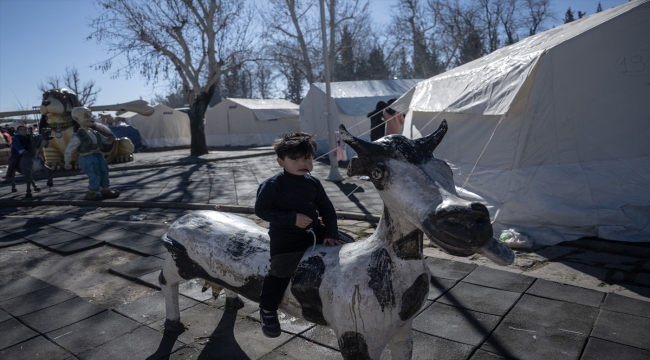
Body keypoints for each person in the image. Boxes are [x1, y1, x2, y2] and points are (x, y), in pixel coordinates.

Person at [254, 132, 344, 338]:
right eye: (295, 159)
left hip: (313, 231)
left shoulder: (313, 183)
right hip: (286, 238)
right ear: (280, 161)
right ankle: (267, 310)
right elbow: (261, 210)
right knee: (280, 271)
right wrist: (291, 218)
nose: (302, 163)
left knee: (345, 244)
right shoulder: (273, 184)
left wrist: (330, 232)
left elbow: (327, 209)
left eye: (307, 158)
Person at [64, 107, 120, 200]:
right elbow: (69, 149)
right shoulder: (78, 136)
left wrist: (110, 139)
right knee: (94, 174)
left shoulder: (94, 132)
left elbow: (104, 140)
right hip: (86, 157)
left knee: (104, 171)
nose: (91, 118)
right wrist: (67, 161)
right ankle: (92, 192)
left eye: (90, 115)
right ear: (77, 119)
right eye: (86, 116)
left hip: (98, 155)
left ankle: (105, 190)